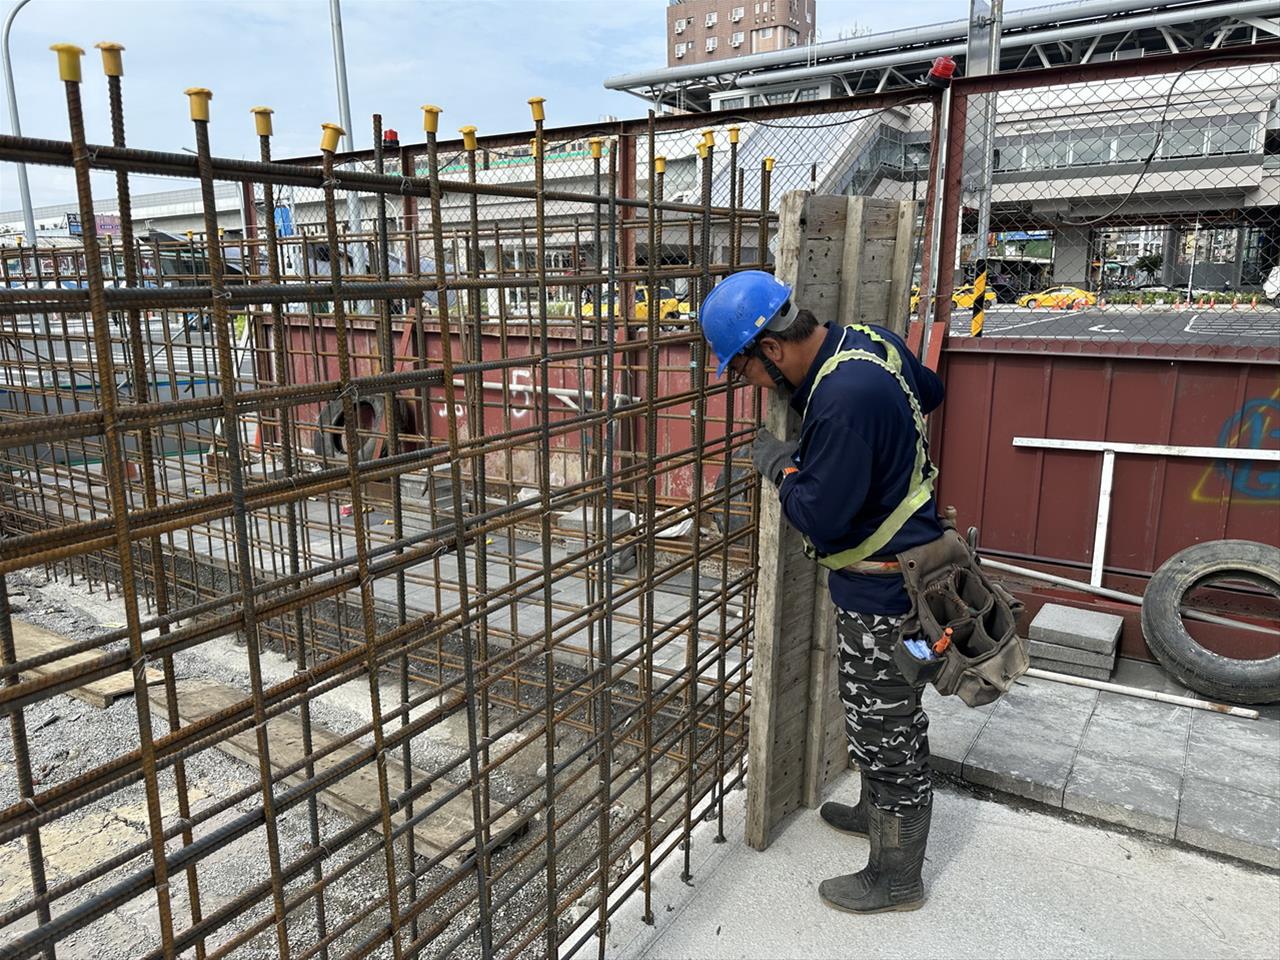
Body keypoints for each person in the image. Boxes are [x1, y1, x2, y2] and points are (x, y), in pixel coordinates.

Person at [700, 269, 945, 914]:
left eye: (744, 370)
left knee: (886, 727)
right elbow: (932, 390)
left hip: (884, 593)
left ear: (771, 349)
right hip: (906, 571)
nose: (749, 384)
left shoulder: (841, 398)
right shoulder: (869, 342)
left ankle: (897, 878)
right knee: (884, 710)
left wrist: (781, 465)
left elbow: (820, 517)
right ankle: (874, 809)